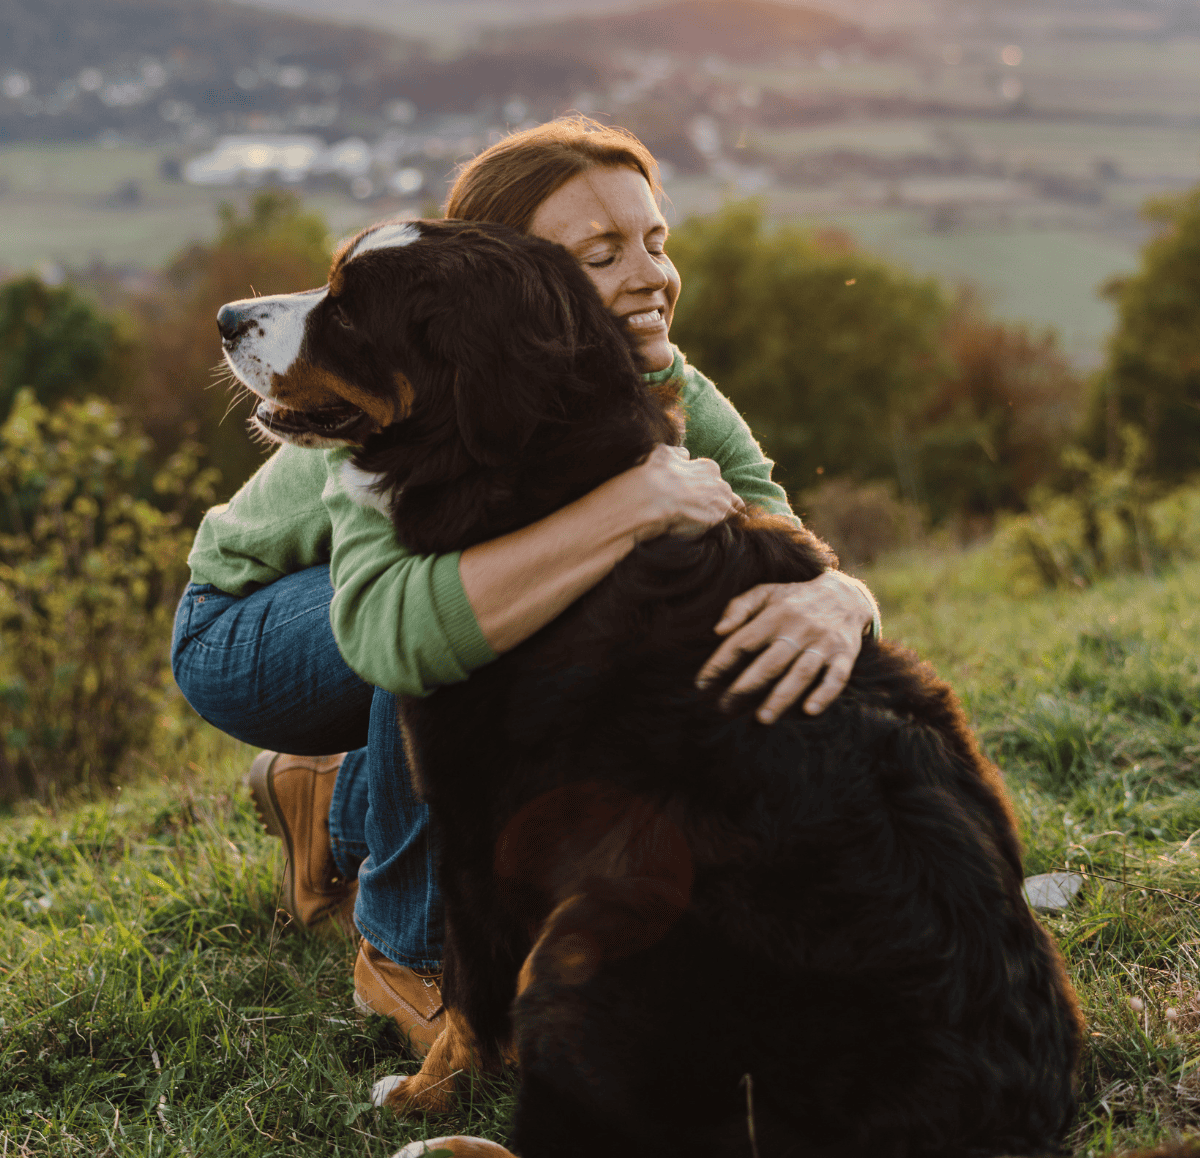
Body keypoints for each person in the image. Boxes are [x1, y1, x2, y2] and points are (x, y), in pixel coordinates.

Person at [171, 117, 880, 1054]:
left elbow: (773, 527)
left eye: (654, 241)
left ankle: (335, 803)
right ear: (506, 283)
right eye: (600, 254)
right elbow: (400, 625)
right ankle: (408, 952)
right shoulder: (425, 402)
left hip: (368, 621)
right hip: (249, 630)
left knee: (555, 607)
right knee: (475, 623)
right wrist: (627, 506)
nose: (648, 276)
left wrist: (841, 596)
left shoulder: (665, 381)